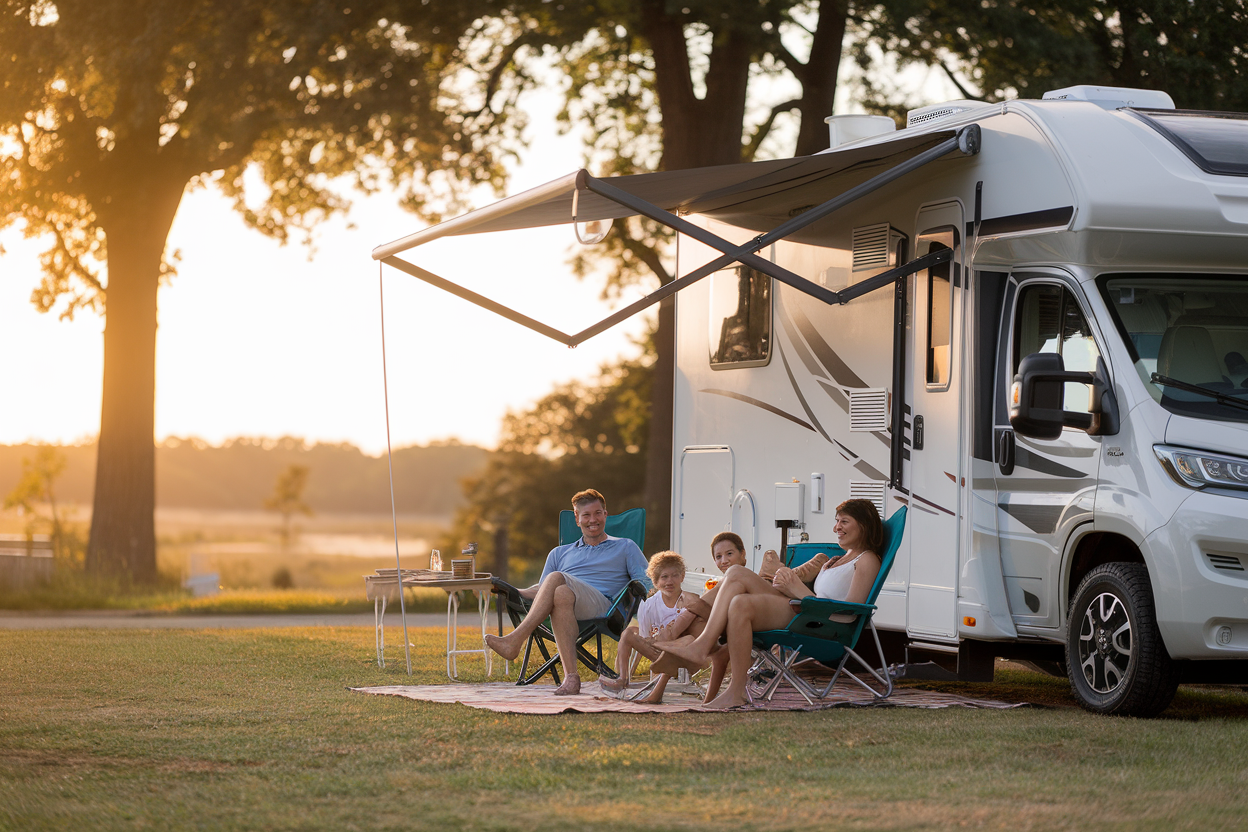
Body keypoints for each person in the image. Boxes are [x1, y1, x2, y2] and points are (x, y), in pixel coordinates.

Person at [654, 499, 884, 709]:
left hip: (821, 622)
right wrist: (788, 586)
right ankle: (706, 652)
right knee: (735, 576)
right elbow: (818, 595)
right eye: (836, 521)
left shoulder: (867, 559)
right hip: (804, 609)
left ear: (863, 525)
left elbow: (848, 613)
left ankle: (699, 648)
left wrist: (798, 590)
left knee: (741, 602)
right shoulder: (837, 559)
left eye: (844, 521)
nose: (836, 528)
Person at [485, 489, 651, 696]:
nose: (593, 520)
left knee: (556, 578)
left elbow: (646, 581)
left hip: (605, 606)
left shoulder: (625, 546)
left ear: (605, 514)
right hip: (567, 604)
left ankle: (515, 639)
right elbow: (542, 590)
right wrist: (511, 590)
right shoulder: (559, 553)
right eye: (586, 515)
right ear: (577, 518)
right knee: (560, 593)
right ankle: (571, 678)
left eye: (598, 513)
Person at [599, 551, 698, 702]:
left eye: (675, 575)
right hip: (658, 652)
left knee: (682, 638)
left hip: (681, 654)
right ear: (655, 581)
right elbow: (645, 639)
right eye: (664, 577)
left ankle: (637, 682)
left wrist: (658, 640)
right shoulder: (649, 605)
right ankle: (623, 679)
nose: (669, 581)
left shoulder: (690, 601)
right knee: (629, 632)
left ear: (682, 576)